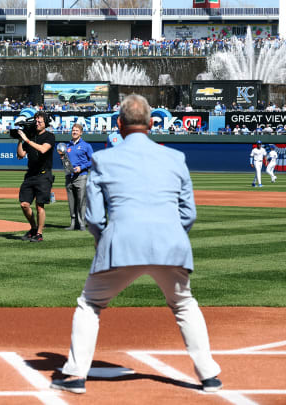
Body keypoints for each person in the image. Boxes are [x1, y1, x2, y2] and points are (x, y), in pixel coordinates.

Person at [50, 94, 222, 394]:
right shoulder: (175, 158)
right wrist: (171, 235)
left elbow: (93, 216)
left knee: (89, 304)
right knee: (184, 304)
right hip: (171, 244)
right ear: (152, 123)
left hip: (121, 243)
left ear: (119, 124)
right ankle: (209, 375)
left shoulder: (103, 159)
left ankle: (76, 375)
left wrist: (103, 241)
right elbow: (189, 214)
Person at [16, 111, 56, 242]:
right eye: (36, 121)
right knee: (24, 204)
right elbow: (21, 155)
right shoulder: (31, 136)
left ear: (46, 123)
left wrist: (26, 139)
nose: (37, 123)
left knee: (40, 206)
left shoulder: (49, 136)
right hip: (31, 174)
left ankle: (39, 234)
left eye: (40, 121)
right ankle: (33, 228)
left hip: (43, 174)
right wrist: (20, 140)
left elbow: (43, 149)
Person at [60, 123, 93, 230]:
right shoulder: (67, 146)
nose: (74, 132)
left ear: (81, 132)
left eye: (76, 130)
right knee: (71, 201)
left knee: (81, 201)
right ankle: (73, 223)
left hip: (81, 176)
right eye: (73, 130)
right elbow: (65, 162)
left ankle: (81, 223)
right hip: (69, 176)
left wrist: (81, 167)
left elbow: (92, 161)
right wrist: (63, 159)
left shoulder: (86, 146)